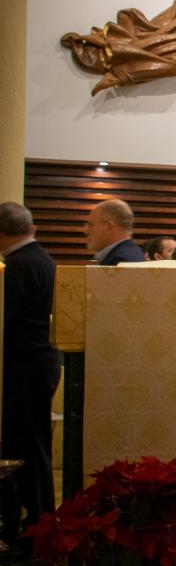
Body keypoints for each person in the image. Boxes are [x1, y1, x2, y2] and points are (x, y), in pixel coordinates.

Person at [0, 203, 62, 545]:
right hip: (41, 362)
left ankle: (34, 519)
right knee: (33, 443)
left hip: (25, 365)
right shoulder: (43, 258)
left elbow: (4, 319)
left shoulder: (18, 265)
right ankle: (37, 517)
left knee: (26, 443)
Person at [84, 199, 143, 265]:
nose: (85, 230)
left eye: (91, 225)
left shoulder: (120, 262)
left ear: (108, 227)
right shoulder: (132, 253)